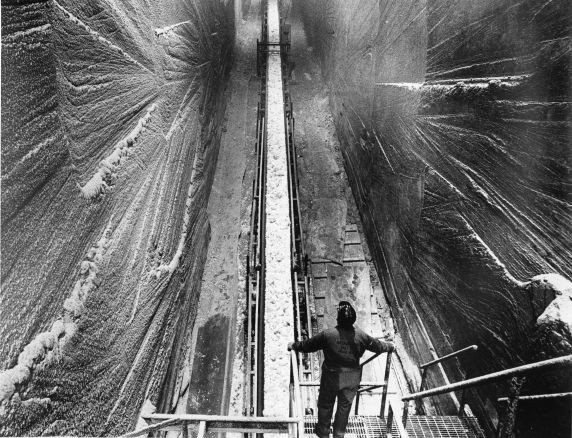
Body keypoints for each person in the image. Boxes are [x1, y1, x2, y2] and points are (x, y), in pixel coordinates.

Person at [288, 301, 395, 438]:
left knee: (326, 405)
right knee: (344, 408)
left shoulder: (328, 335)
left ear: (338, 318)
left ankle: (323, 432)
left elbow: (307, 345)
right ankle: (338, 434)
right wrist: (390, 346)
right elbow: (378, 346)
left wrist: (294, 345)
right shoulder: (361, 336)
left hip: (331, 377)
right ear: (353, 320)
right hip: (352, 378)